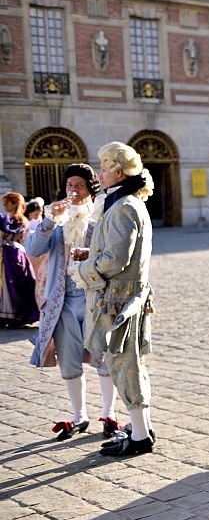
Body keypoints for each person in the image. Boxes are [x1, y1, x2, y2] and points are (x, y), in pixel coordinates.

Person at [73, 143, 156, 457]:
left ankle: (141, 437)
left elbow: (115, 260)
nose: (100, 173)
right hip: (125, 296)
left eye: (104, 167)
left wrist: (82, 268)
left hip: (119, 301)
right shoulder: (125, 202)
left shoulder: (123, 207)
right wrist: (91, 253)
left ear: (118, 171)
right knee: (129, 364)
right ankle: (140, 429)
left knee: (124, 366)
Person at [27, 165, 121, 440]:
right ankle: (79, 415)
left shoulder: (102, 215)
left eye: (79, 185)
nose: (73, 191)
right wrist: (49, 221)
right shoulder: (56, 220)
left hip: (95, 297)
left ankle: (109, 412)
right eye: (70, 185)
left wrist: (89, 253)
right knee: (68, 359)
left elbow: (112, 252)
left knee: (103, 356)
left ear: (90, 188)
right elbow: (33, 250)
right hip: (62, 300)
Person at [1, 192, 39, 328]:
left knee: (13, 283)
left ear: (14, 203)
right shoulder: (10, 219)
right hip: (10, 254)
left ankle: (16, 315)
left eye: (7, 203)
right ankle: (6, 315)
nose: (4, 205)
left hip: (11, 255)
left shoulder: (15, 221)